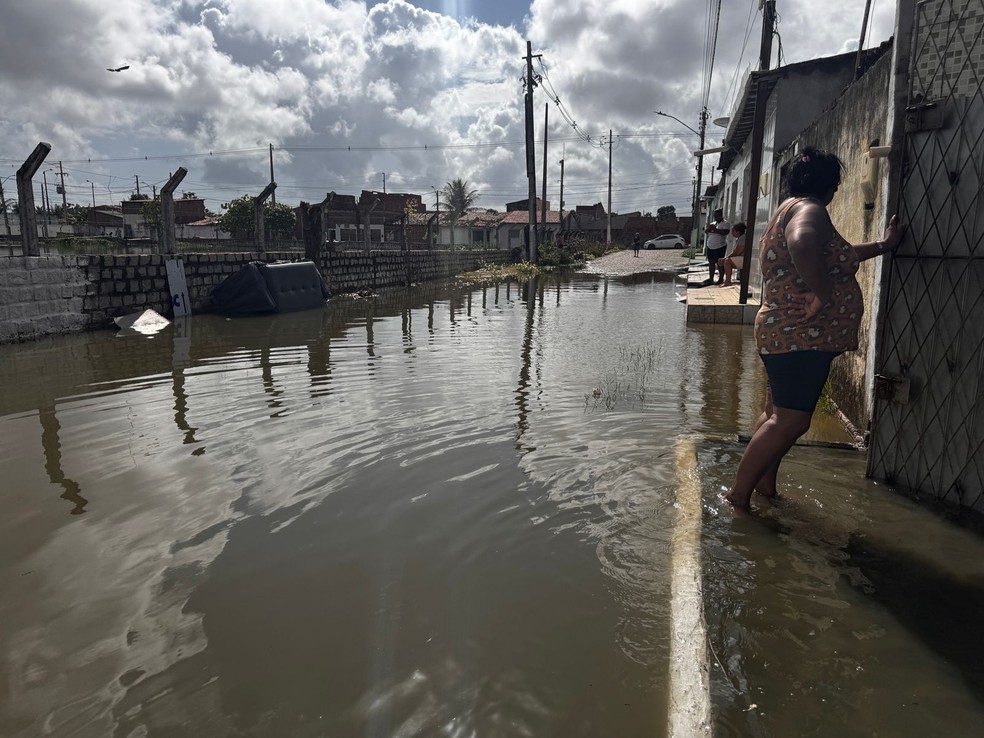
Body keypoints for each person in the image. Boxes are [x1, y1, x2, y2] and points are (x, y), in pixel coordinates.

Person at [725, 146, 904, 510]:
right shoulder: (811, 210)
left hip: (783, 332)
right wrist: (823, 295)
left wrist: (884, 245)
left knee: (777, 415)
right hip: (799, 336)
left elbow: (834, 254)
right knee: (792, 421)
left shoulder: (786, 209)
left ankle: (764, 488)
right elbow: (804, 244)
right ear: (829, 188)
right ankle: (737, 498)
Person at [703, 208, 730, 284]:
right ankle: (711, 279)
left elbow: (725, 232)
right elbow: (707, 232)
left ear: (720, 215)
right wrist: (708, 229)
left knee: (720, 263)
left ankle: (720, 279)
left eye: (717, 215)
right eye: (714, 215)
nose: (715, 217)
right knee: (711, 262)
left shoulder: (725, 223)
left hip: (720, 246)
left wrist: (714, 230)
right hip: (710, 245)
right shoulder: (713, 223)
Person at [719, 222, 747, 287]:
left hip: (744, 259)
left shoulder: (743, 238)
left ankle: (728, 281)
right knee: (726, 260)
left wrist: (725, 259)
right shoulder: (740, 238)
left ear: (738, 232)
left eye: (733, 231)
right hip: (742, 258)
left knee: (727, 262)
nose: (732, 233)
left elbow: (736, 252)